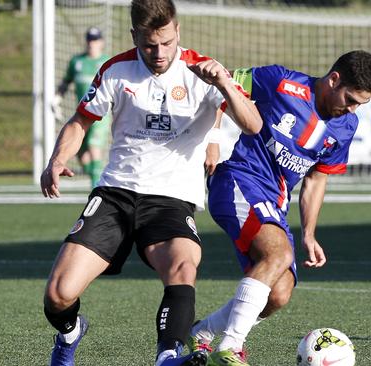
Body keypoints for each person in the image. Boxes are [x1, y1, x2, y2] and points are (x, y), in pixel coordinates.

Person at [39, 1, 262, 366]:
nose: (159, 53)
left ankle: (168, 356)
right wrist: (57, 159)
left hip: (171, 200)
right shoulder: (115, 70)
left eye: (167, 43)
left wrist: (222, 82)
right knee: (58, 295)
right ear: (135, 37)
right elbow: (80, 121)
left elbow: (253, 124)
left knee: (183, 266)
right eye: (149, 45)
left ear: (178, 32)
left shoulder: (203, 70)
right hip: (115, 195)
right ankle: (70, 332)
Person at [189, 50, 371, 366]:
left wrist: (308, 233)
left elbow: (316, 180)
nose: (353, 108)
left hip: (274, 204)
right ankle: (232, 346)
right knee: (278, 255)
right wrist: (212, 138)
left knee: (279, 293)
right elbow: (218, 85)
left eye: (361, 103)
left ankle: (203, 334)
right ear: (334, 80)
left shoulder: (346, 126)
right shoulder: (280, 82)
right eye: (350, 99)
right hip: (237, 180)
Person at [54, 26, 111, 188]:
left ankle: (96, 189)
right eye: (89, 40)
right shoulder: (77, 62)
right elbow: (66, 82)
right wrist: (57, 98)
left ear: (101, 42)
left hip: (101, 114)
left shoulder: (107, 62)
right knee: (81, 154)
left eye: (95, 40)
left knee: (94, 145)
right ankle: (97, 178)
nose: (91, 44)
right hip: (82, 114)